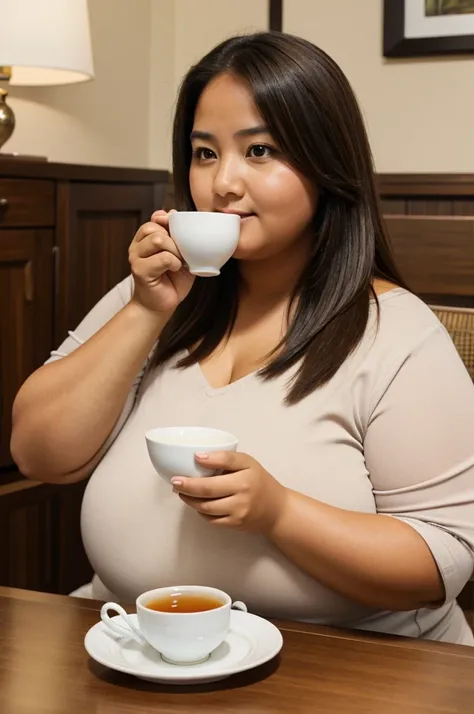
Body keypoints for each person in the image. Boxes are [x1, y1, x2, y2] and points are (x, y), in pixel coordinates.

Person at [10, 32, 474, 644]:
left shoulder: (397, 333)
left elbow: (442, 562)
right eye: (205, 154)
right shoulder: (151, 297)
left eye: (259, 150)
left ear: (325, 163)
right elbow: (40, 453)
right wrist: (146, 313)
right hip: (139, 650)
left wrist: (280, 514)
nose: (223, 182)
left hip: (355, 672)